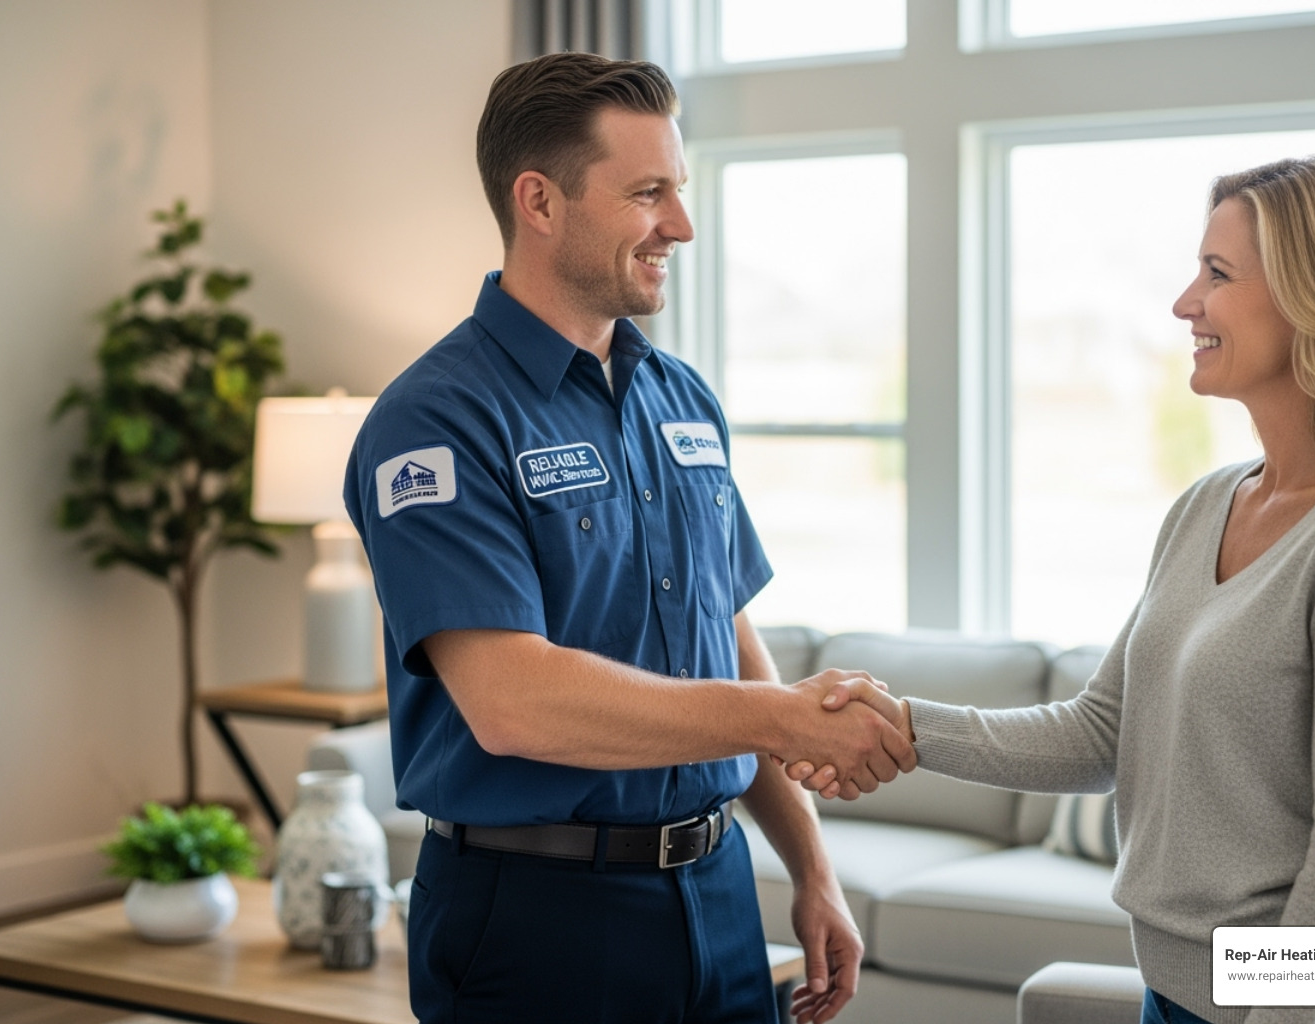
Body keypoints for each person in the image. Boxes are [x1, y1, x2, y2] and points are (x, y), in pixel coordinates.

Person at [793, 155, 1315, 1024]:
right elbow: (1103, 732)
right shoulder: (1209, 502)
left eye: (1217, 275)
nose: (1187, 303)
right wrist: (907, 725)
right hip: (1175, 993)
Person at [342, 52, 913, 1024]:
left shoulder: (681, 398)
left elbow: (723, 632)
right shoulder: (436, 422)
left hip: (720, 895)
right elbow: (513, 703)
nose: (680, 227)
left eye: (678, 191)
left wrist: (811, 868)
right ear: (540, 201)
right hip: (536, 919)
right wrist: (779, 715)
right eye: (648, 193)